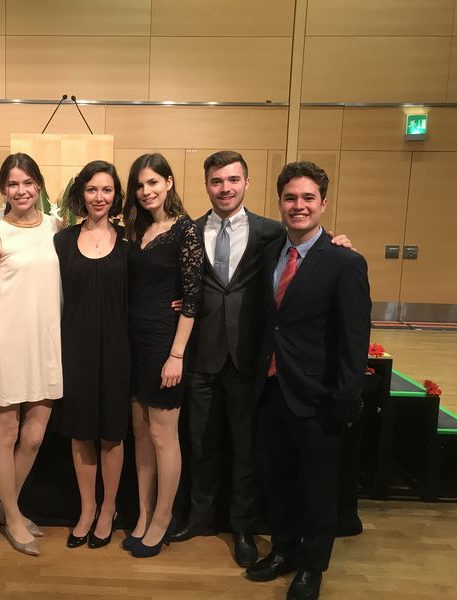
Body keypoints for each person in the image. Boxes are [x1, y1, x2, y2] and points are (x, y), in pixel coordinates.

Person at [174, 151, 351, 568]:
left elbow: (311, 255)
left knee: (246, 451)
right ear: (206, 185)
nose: (225, 188)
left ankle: (243, 529)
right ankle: (200, 518)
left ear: (247, 183)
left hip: (252, 361)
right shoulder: (189, 231)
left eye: (233, 180)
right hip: (201, 356)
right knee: (200, 445)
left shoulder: (273, 233)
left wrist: (339, 243)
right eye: (217, 181)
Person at [246, 161, 370, 600]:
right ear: (280, 202)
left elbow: (355, 339)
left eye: (307, 198)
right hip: (272, 388)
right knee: (277, 480)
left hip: (318, 396)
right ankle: (283, 550)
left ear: (323, 203)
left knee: (318, 487)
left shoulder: (345, 262)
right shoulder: (270, 254)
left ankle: (312, 567)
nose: (298, 206)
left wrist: (346, 398)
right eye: (290, 198)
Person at [0, 153, 63, 557]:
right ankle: (13, 515)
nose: (20, 190)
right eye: (12, 184)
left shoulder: (57, 228)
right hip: (5, 346)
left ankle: (8, 510)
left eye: (27, 182)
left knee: (35, 436)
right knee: (4, 435)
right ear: (4, 189)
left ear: (38, 185)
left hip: (45, 345)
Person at [122, 153, 204, 558]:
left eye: (153, 182)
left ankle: (162, 518)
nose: (146, 191)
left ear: (169, 182)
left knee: (162, 436)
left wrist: (177, 354)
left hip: (164, 345)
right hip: (133, 344)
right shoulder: (136, 229)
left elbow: (192, 299)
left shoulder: (186, 230)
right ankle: (142, 513)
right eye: (139, 185)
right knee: (140, 434)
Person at [50, 160, 130, 549]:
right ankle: (86, 508)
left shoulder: (131, 241)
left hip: (118, 349)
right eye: (92, 189)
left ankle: (109, 509)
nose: (100, 197)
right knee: (82, 433)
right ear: (81, 193)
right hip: (75, 349)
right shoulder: (62, 241)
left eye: (107, 189)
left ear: (116, 195)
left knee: (112, 435)